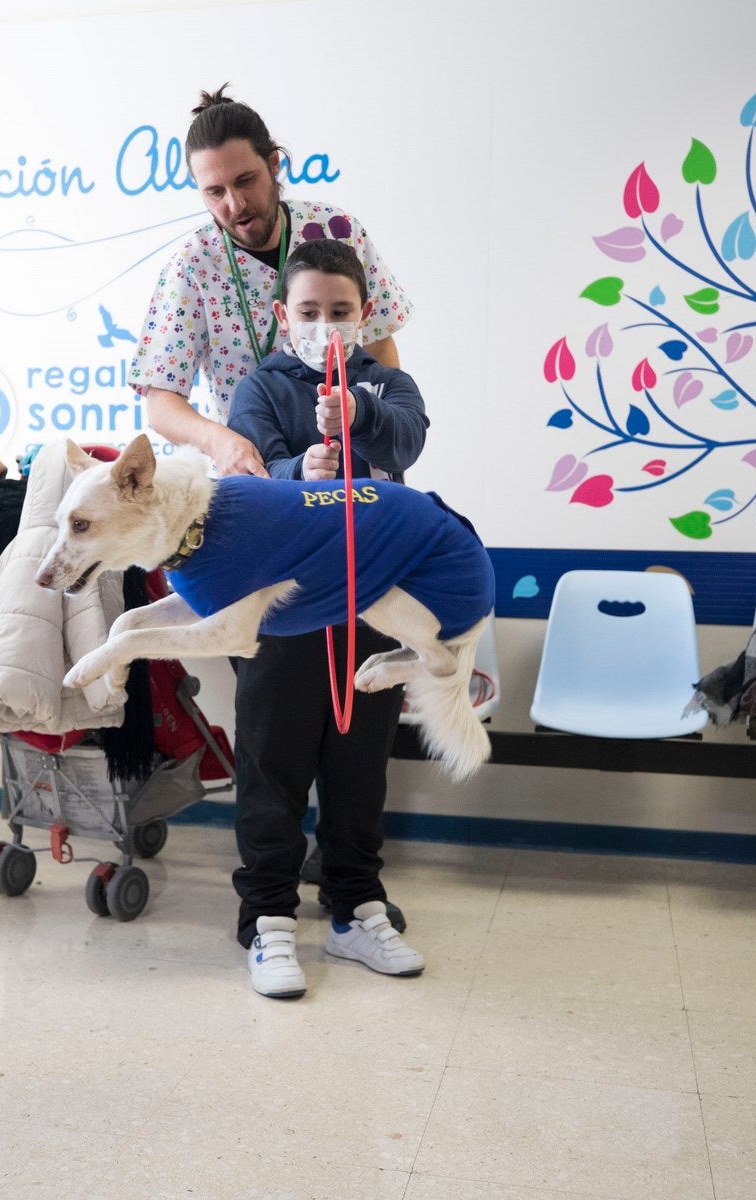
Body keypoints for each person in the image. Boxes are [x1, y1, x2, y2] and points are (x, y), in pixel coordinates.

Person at [225, 240, 430, 999]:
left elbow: (407, 437)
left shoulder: (391, 383)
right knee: (273, 762)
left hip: (371, 600)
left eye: (340, 313)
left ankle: (354, 911)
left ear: (364, 315)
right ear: (284, 317)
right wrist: (296, 472)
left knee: (358, 766)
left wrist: (361, 411)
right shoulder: (261, 386)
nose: (325, 326)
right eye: (309, 313)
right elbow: (246, 471)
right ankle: (268, 923)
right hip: (284, 607)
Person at [129, 86, 413, 477]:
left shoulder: (337, 230)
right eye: (215, 192)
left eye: (246, 180)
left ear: (274, 164)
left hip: (350, 466)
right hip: (255, 469)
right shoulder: (191, 267)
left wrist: (383, 448)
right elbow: (161, 401)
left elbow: (380, 343)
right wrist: (221, 442)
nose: (234, 204)